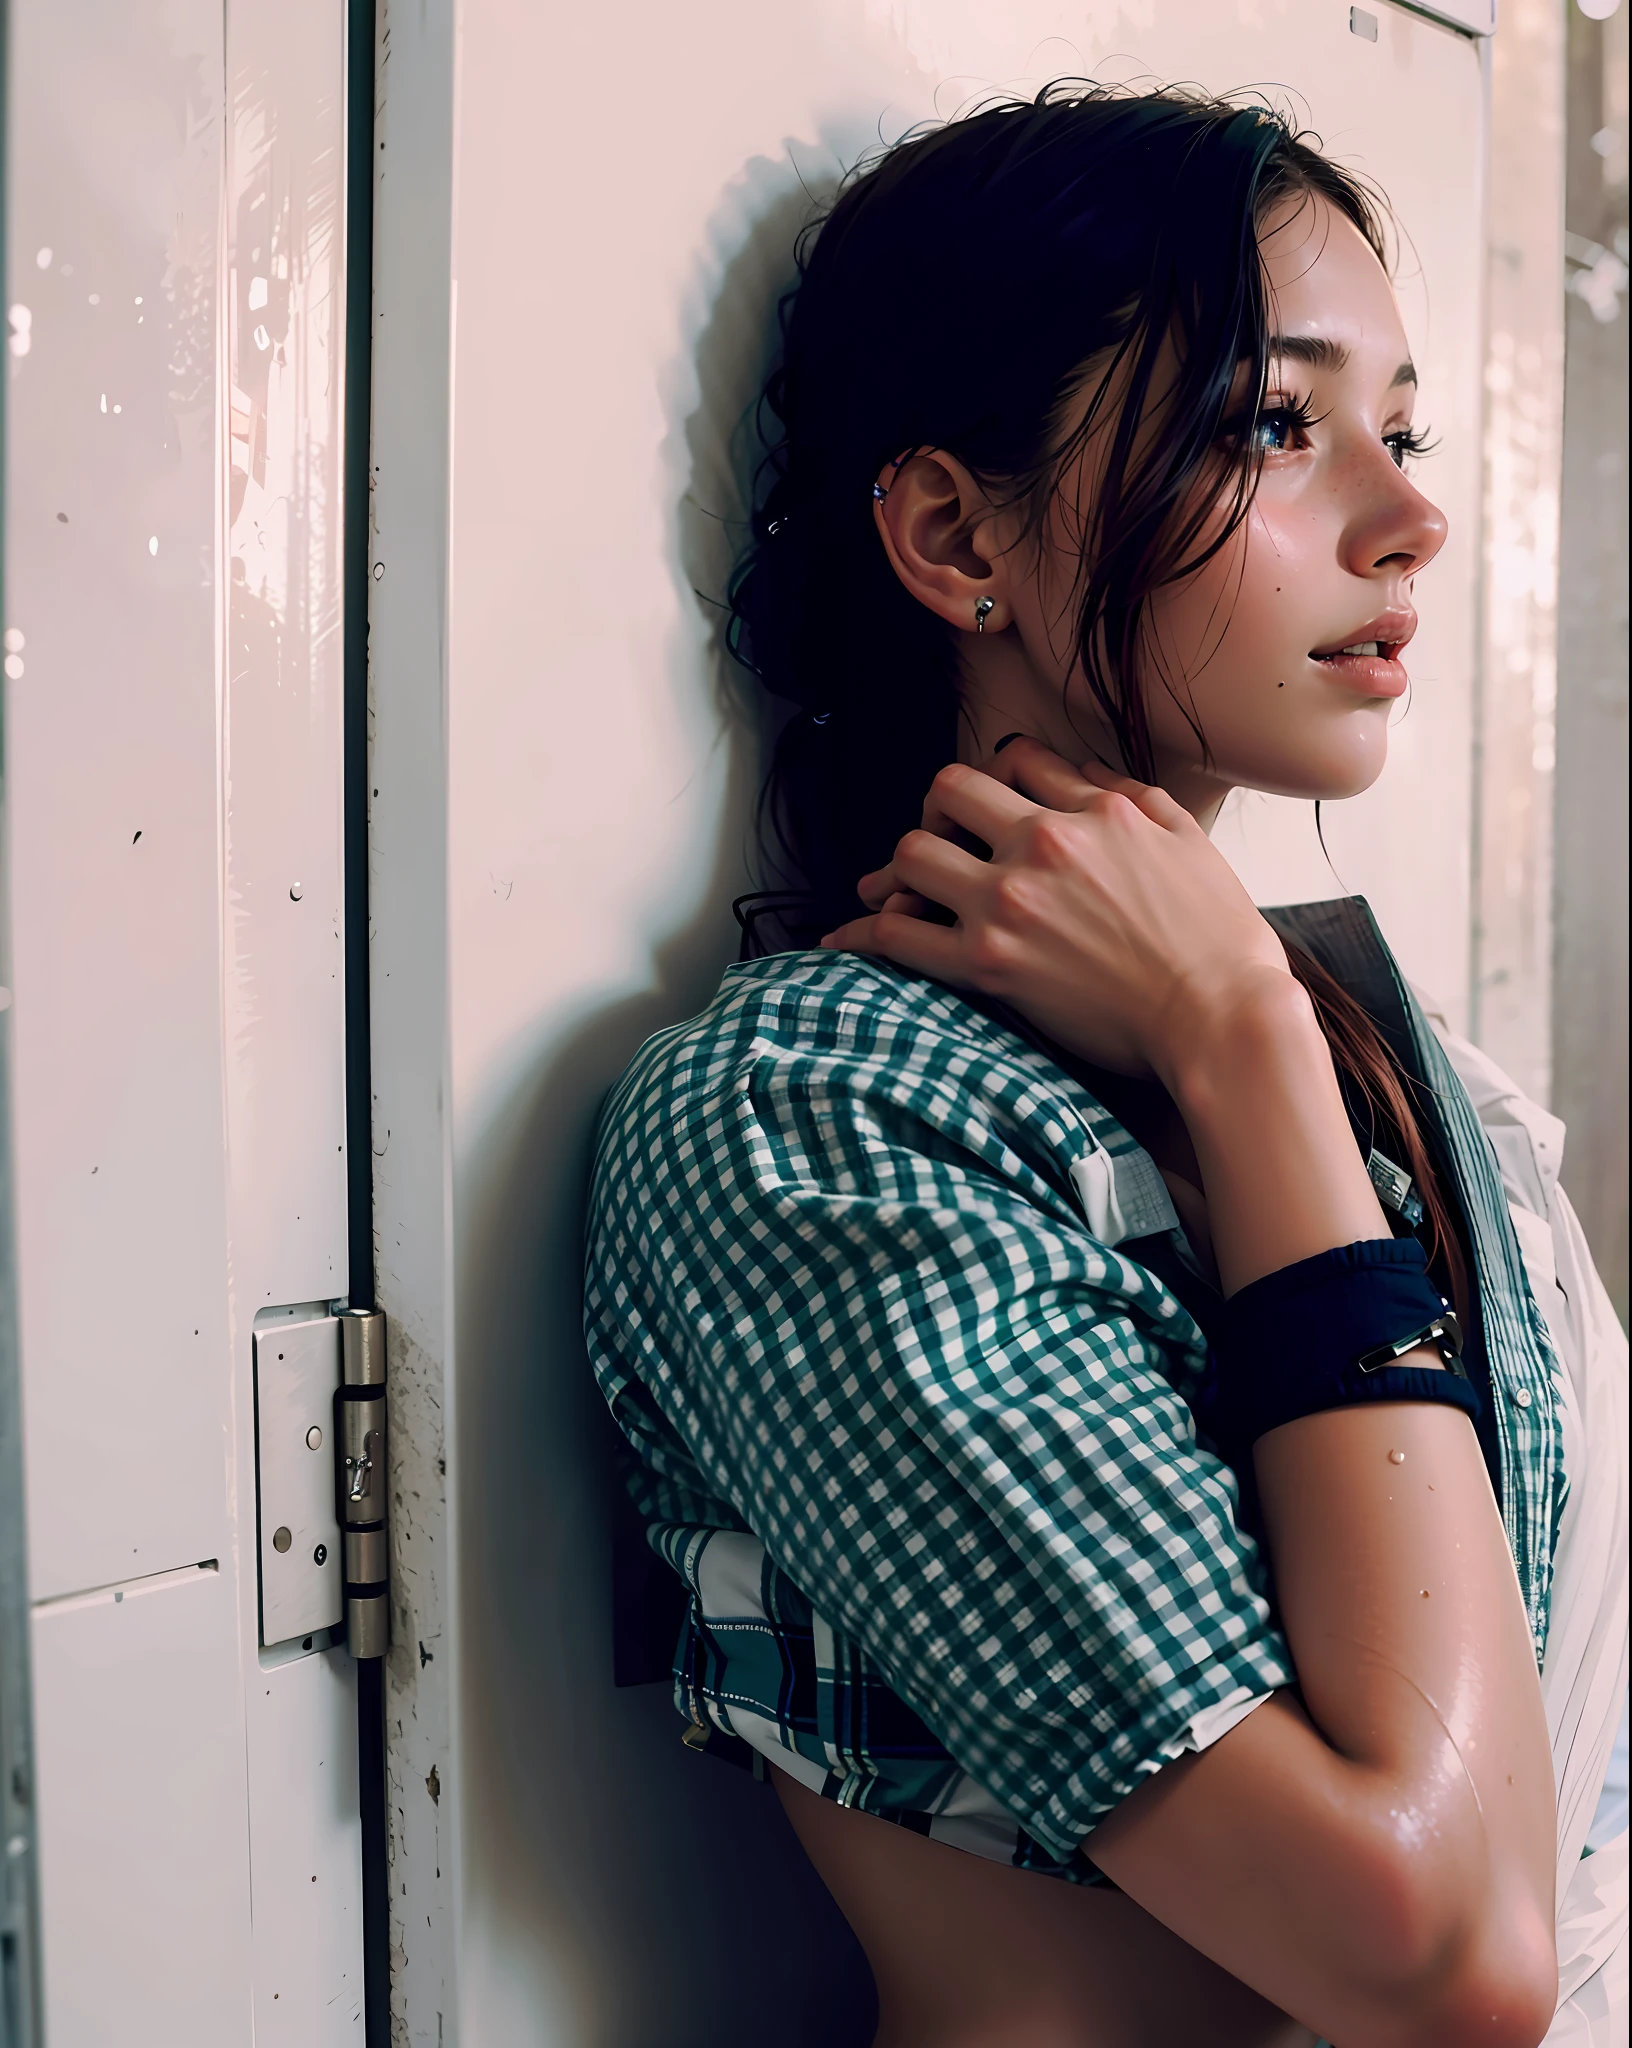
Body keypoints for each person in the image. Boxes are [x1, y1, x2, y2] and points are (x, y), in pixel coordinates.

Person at [583, 85, 1628, 2048]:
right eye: (1271, 421)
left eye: (1397, 428)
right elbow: (1440, 1948)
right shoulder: (810, 1120)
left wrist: (1256, 1041)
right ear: (955, 533)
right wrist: (1234, 1039)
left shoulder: (1407, 1074)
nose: (1413, 514)